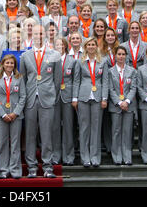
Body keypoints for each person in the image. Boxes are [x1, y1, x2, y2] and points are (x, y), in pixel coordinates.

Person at [20, 24, 61, 178]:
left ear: (45, 35)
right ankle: (31, 166)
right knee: (30, 134)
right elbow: (23, 79)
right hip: (30, 99)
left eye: (41, 33)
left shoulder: (54, 55)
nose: (38, 36)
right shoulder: (25, 55)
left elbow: (57, 80)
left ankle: (48, 166)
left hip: (47, 99)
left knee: (46, 134)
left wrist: (51, 96)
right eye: (35, 34)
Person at [72, 37, 108, 167]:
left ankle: (95, 157)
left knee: (96, 128)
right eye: (89, 45)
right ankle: (85, 157)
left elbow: (105, 81)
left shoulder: (103, 61)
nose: (91, 46)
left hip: (98, 97)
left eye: (93, 44)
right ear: (85, 47)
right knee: (84, 128)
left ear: (96, 46)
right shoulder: (80, 62)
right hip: (83, 97)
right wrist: (74, 98)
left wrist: (104, 98)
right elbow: (76, 81)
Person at [0, 54, 26, 179]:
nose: (9, 65)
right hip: (2, 116)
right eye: (7, 63)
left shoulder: (19, 78)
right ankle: (3, 170)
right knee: (3, 143)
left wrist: (15, 113)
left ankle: (15, 170)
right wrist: (3, 114)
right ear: (3, 65)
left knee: (15, 143)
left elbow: (23, 97)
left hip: (16, 115)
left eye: (12, 63)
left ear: (15, 65)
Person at [107, 46, 137, 165]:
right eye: (119, 54)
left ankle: (127, 156)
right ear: (115, 56)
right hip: (116, 106)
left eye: (123, 54)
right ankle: (117, 156)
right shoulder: (110, 71)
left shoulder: (132, 71)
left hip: (128, 105)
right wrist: (119, 102)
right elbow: (110, 89)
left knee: (127, 131)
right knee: (116, 131)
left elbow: (133, 87)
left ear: (126, 56)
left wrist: (127, 101)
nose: (121, 56)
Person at [53, 37, 77, 166]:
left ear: (65, 46)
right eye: (56, 44)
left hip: (68, 96)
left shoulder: (72, 61)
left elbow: (75, 80)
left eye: (61, 45)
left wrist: (74, 98)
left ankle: (69, 156)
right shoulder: (50, 60)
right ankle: (56, 155)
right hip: (54, 97)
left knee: (68, 127)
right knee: (55, 127)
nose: (59, 47)